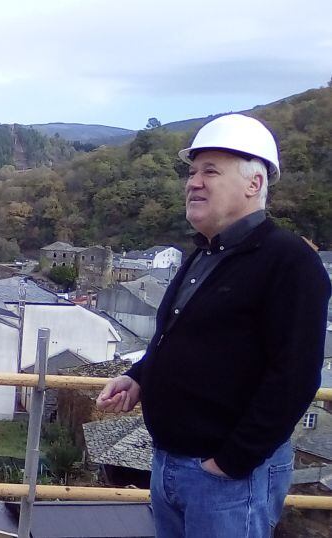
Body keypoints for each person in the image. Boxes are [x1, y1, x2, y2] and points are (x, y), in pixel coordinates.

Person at [96, 114, 331, 537]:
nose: (193, 182)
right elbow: (181, 340)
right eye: (192, 172)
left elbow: (294, 376)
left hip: (226, 478)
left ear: (253, 184)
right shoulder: (203, 255)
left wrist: (230, 462)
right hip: (170, 462)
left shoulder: (290, 262)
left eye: (210, 171)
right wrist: (139, 377)